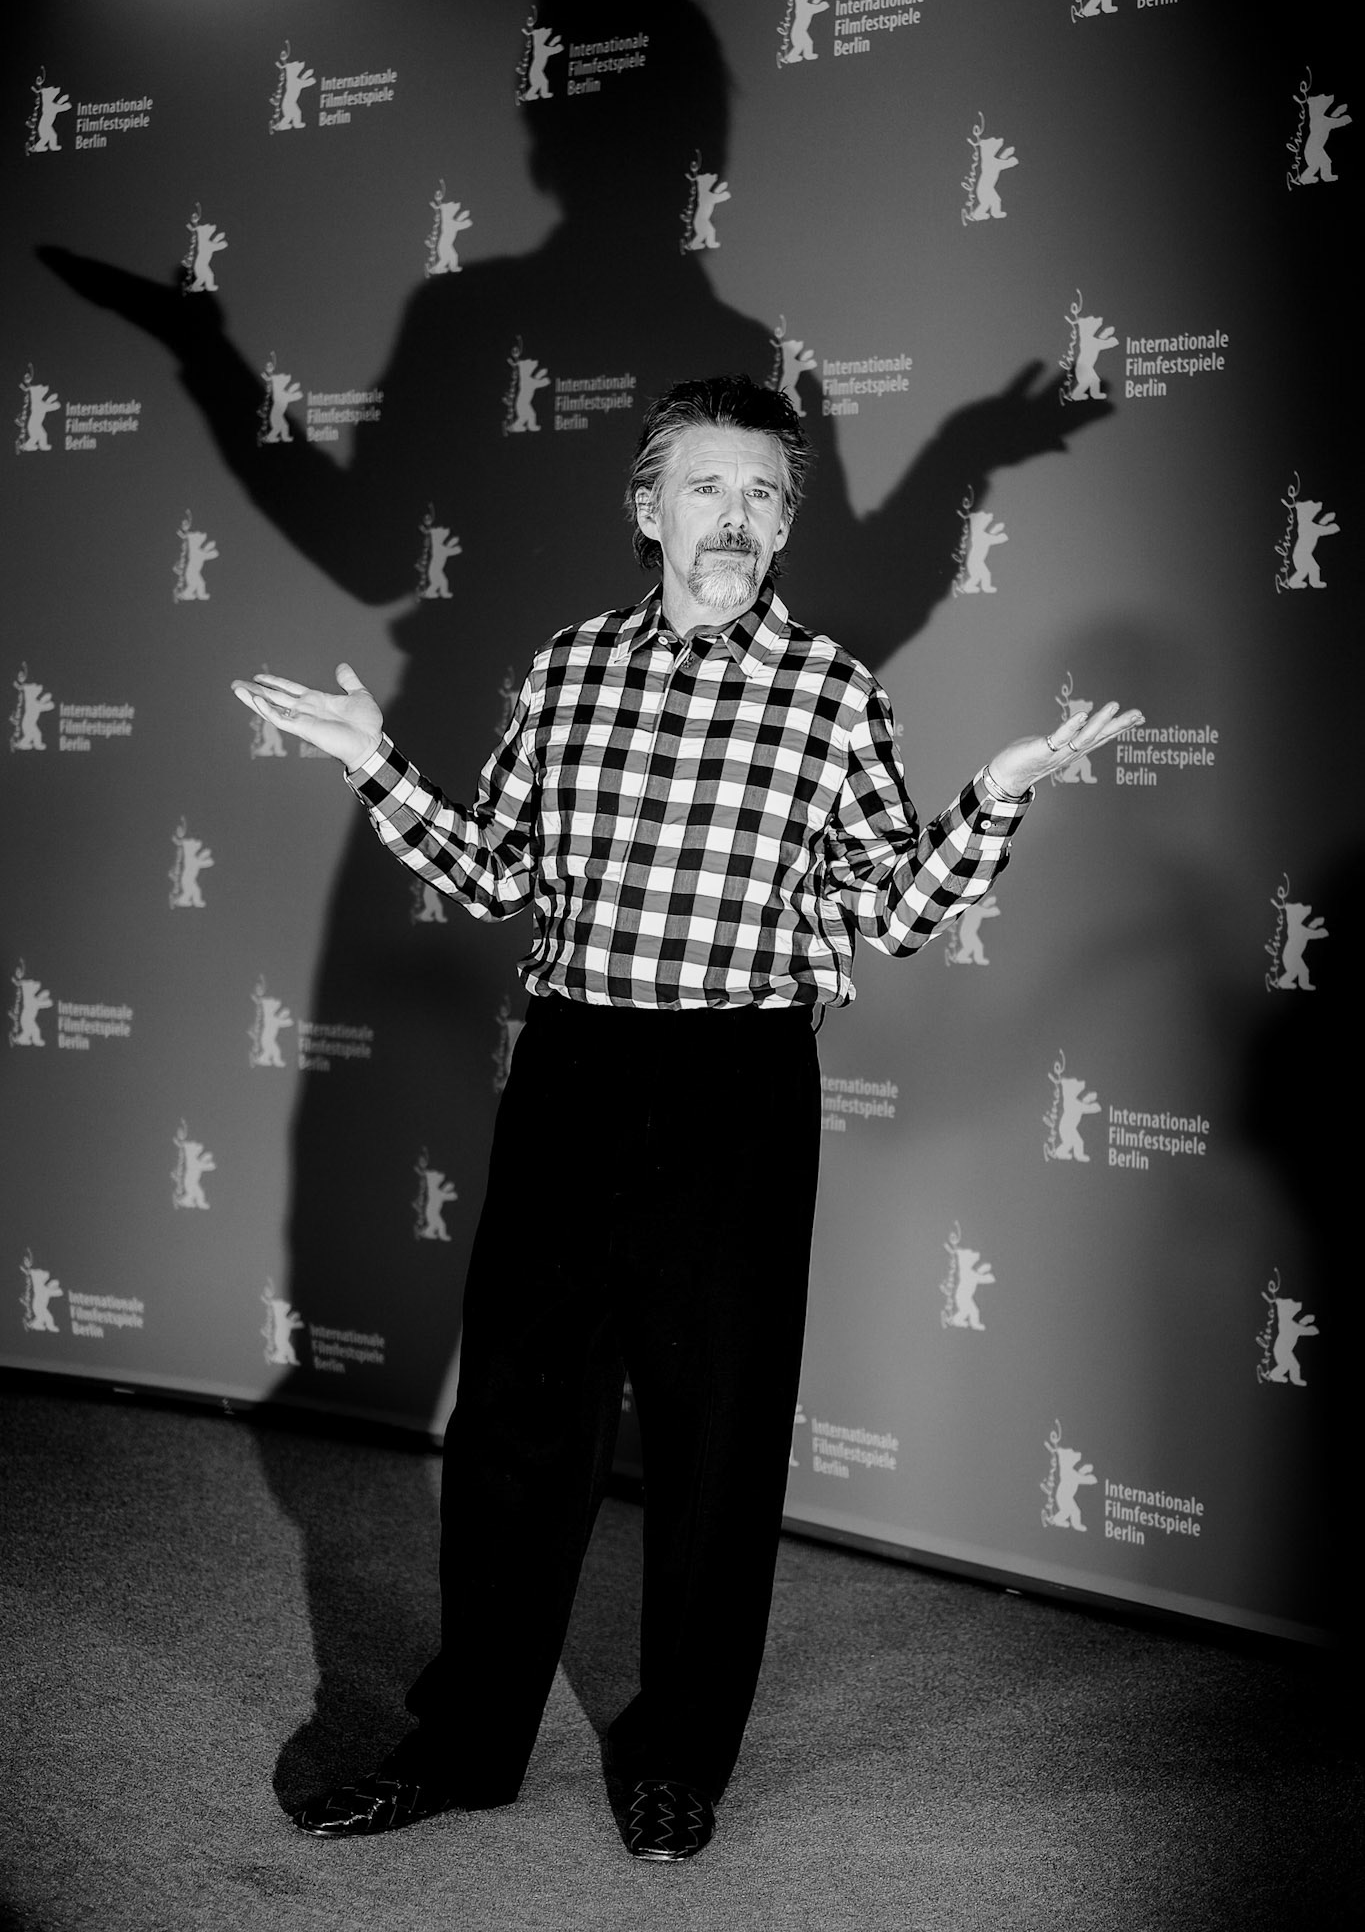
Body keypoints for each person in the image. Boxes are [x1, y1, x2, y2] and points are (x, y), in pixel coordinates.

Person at [232, 374, 1141, 1861]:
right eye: (709, 487)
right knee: (519, 1430)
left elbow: (888, 910)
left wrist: (991, 800)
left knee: (716, 1442)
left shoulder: (835, 692)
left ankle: (677, 1759)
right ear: (647, 507)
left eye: (767, 495)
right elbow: (490, 872)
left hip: (737, 1084)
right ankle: (466, 1744)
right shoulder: (566, 668)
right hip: (574, 1068)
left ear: (785, 526)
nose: (738, 517)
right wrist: (370, 760)